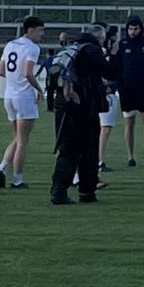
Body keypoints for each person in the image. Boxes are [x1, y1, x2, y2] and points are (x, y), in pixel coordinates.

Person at [50, 26, 111, 205]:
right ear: (100, 39)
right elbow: (110, 72)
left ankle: (60, 190)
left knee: (67, 149)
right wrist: (114, 55)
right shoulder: (93, 51)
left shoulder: (71, 50)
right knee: (87, 150)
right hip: (84, 105)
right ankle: (85, 191)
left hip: (64, 103)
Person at [0, 16, 45, 190]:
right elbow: (28, 73)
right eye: (40, 31)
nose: (42, 35)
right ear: (30, 30)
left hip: (9, 95)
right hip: (24, 97)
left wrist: (14, 80)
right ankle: (17, 179)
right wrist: (39, 90)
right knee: (23, 140)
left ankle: (3, 168)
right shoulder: (32, 48)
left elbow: (1, 71)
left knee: (17, 137)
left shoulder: (10, 45)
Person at [113, 16, 144, 167]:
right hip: (127, 90)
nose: (133, 32)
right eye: (130, 29)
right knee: (129, 123)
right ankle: (130, 156)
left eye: (135, 28)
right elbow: (116, 68)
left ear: (141, 29)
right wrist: (119, 87)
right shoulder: (122, 45)